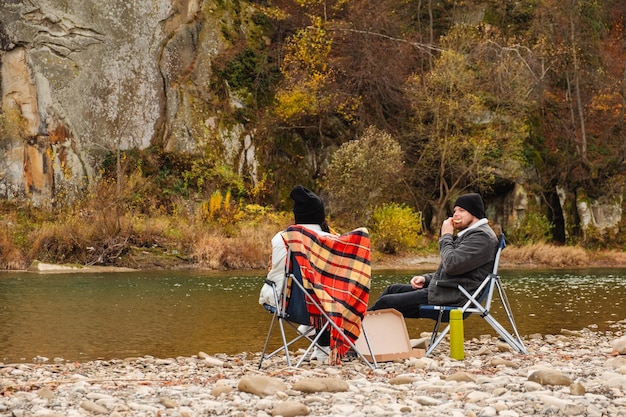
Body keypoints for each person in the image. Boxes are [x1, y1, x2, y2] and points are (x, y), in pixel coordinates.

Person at [368, 193, 498, 318]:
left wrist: (446, 235)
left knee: (386, 303)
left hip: (453, 297)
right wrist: (426, 279)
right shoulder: (472, 234)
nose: (455, 214)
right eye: (455, 210)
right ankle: (370, 334)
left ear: (474, 213)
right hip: (446, 291)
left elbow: (451, 265)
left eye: (461, 210)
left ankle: (358, 332)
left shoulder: (482, 237)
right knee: (392, 290)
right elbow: (457, 270)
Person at [258, 185, 333, 362]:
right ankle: (321, 343)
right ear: (320, 216)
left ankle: (312, 332)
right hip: (332, 308)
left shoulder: (282, 239)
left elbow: (277, 277)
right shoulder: (334, 240)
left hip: (294, 307)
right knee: (320, 295)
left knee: (272, 288)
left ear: (297, 216)